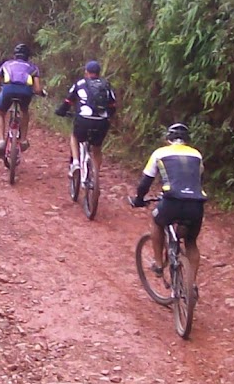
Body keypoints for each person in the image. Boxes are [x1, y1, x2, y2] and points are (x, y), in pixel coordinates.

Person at [130, 122, 206, 273]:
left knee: (157, 221)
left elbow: (146, 181)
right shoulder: (196, 154)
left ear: (167, 139)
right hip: (196, 203)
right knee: (191, 242)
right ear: (187, 140)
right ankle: (192, 284)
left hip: (172, 200)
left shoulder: (160, 153)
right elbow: (198, 178)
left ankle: (158, 263)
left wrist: (139, 199)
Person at [54, 59, 117, 178]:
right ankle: (96, 174)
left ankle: (76, 163)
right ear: (99, 73)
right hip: (101, 122)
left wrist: (61, 111)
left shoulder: (80, 83)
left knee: (75, 137)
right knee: (97, 148)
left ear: (86, 72)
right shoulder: (106, 85)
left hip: (83, 119)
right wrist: (108, 117)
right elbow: (112, 105)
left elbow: (68, 101)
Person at [0, 43, 42, 159]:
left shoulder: (6, 64)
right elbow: (37, 89)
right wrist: (39, 92)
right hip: (25, 92)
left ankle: (1, 141)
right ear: (28, 56)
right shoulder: (33, 67)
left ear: (15, 55)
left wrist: (0, 86)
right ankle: (23, 140)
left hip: (8, 90)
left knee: (0, 113)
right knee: (24, 112)